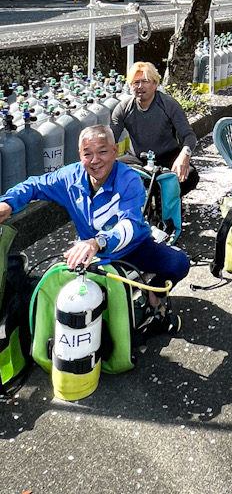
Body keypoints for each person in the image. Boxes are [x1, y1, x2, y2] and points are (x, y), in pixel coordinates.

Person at [0, 125, 190, 333]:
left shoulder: (129, 180)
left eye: (102, 151)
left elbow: (131, 224)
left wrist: (99, 241)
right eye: (87, 154)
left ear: (115, 151)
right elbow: (35, 185)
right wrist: (9, 202)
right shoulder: (70, 178)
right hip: (93, 256)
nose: (95, 160)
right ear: (79, 155)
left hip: (133, 248)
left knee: (178, 263)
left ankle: (155, 296)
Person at [111, 61, 199, 196]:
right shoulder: (123, 108)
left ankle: (168, 202)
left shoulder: (168, 104)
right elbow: (111, 139)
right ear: (130, 86)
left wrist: (184, 155)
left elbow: (189, 135)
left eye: (145, 81)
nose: (140, 87)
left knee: (191, 175)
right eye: (135, 82)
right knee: (110, 173)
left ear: (155, 84)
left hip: (168, 157)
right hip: (137, 158)